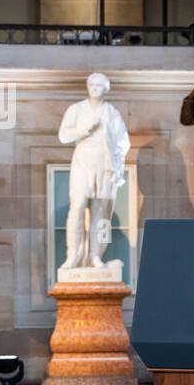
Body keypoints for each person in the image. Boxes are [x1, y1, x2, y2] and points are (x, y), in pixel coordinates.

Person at [59, 72, 130, 270]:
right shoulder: (77, 109)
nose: (95, 88)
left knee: (101, 213)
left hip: (104, 163)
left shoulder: (111, 112)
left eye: (99, 85)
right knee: (78, 205)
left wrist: (117, 164)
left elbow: (123, 141)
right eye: (92, 84)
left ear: (106, 88)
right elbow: (63, 135)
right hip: (83, 160)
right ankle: (72, 255)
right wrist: (83, 131)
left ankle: (96, 256)